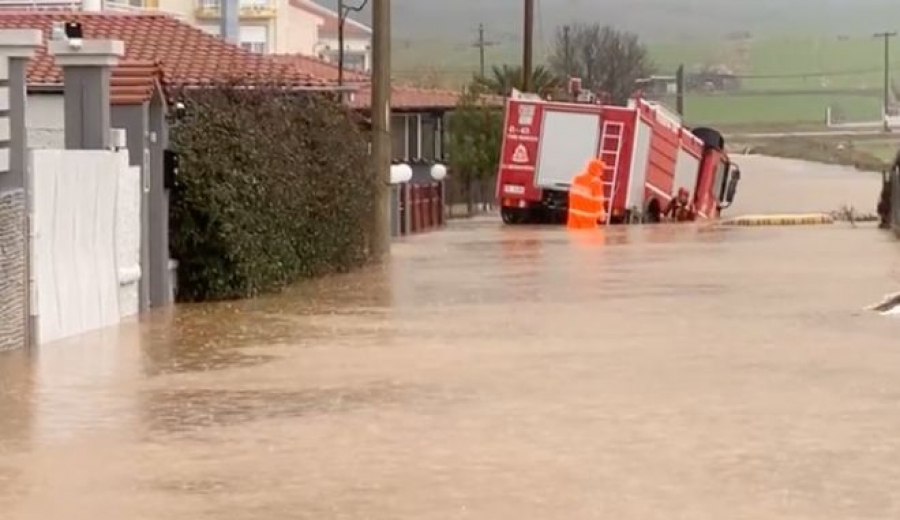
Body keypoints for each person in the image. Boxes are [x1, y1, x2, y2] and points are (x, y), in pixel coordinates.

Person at [567, 159, 606, 230]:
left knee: (574, 239)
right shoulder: (596, 182)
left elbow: (571, 195)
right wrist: (601, 215)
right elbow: (598, 201)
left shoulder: (577, 178)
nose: (602, 173)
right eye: (601, 170)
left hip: (573, 218)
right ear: (596, 169)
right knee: (589, 240)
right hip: (587, 219)